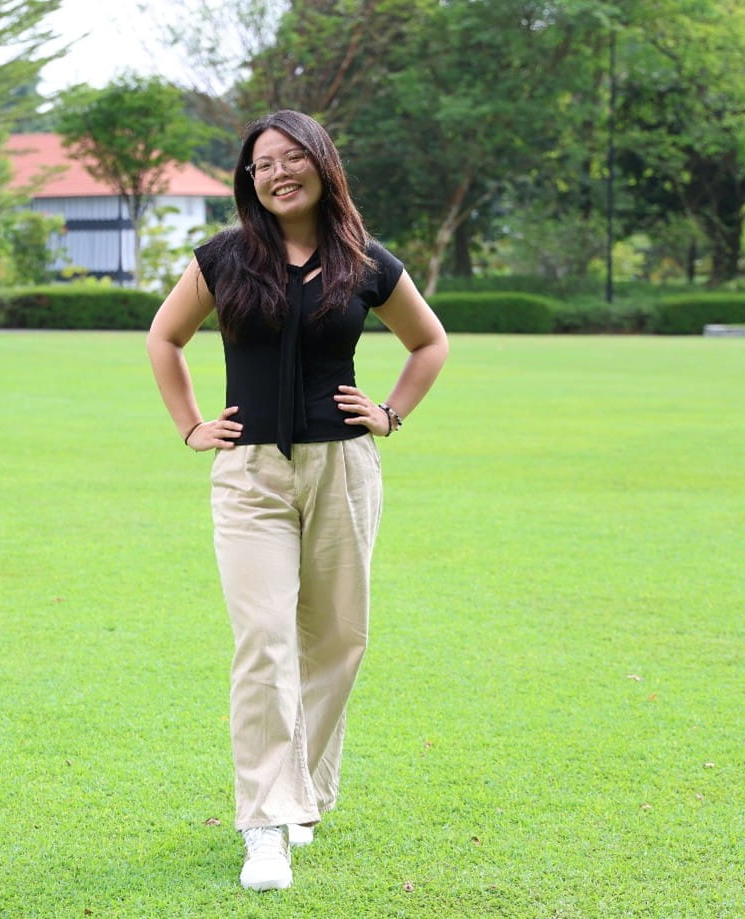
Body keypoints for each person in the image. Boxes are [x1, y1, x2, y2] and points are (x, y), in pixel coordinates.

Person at [145, 110, 448, 892]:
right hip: (249, 476)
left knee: (338, 638)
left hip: (343, 468)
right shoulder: (222, 258)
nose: (277, 173)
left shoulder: (364, 260)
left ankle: (301, 791)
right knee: (264, 642)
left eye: (290, 159)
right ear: (249, 180)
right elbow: (164, 338)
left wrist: (390, 413)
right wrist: (189, 426)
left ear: (320, 164)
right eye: (260, 164)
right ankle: (265, 824)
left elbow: (429, 341)